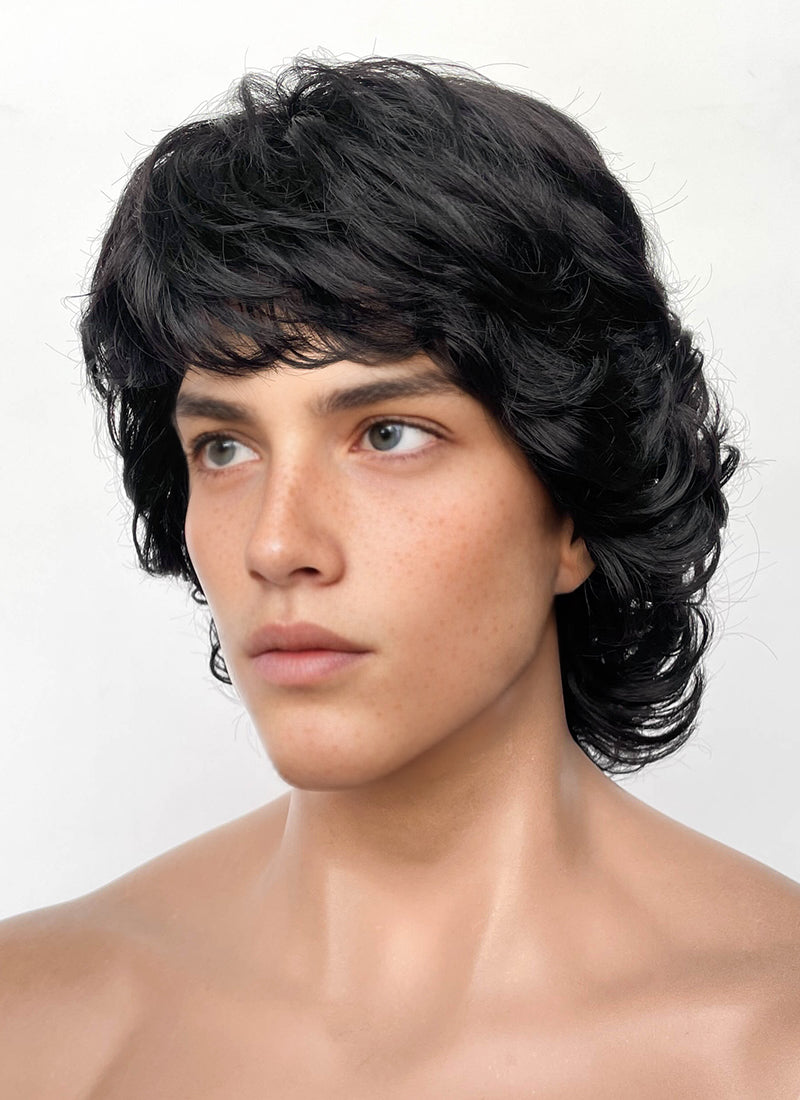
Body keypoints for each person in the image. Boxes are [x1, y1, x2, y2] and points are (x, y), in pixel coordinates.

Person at [1, 54, 799, 1097]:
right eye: (225, 448)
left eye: (387, 434)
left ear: (573, 506)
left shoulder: (768, 1045)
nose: (276, 544)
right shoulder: (37, 1027)